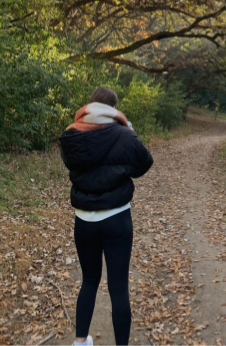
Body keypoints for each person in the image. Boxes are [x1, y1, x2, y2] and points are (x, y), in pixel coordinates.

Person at [59, 87, 154, 346]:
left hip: (84, 220)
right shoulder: (124, 134)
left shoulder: (71, 135)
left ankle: (80, 342)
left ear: (90, 106)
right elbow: (144, 164)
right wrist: (130, 133)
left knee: (89, 281)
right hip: (117, 219)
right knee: (118, 287)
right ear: (114, 109)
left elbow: (74, 165)